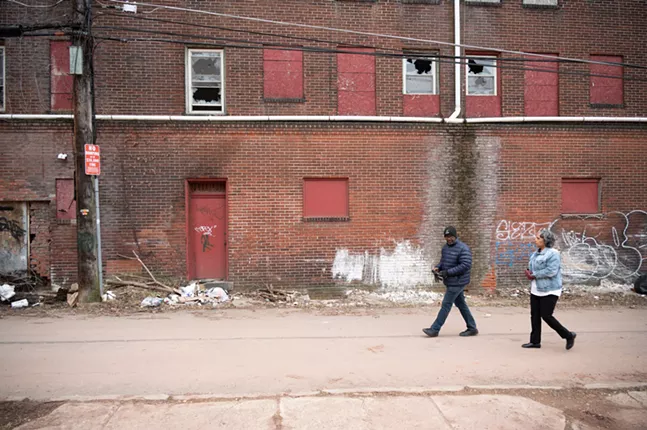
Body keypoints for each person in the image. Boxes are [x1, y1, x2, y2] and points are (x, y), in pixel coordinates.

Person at [522, 228, 576, 350]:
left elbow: (551, 271)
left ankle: (568, 335)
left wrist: (534, 274)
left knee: (546, 315)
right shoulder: (535, 253)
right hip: (536, 288)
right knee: (534, 315)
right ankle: (535, 341)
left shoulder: (553, 254)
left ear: (545, 240)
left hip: (550, 289)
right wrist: (529, 272)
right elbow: (533, 267)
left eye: (538, 238)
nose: (535, 240)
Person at [423, 226, 478, 337]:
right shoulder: (445, 248)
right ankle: (472, 327)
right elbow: (443, 262)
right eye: (447, 237)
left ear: (455, 236)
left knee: (446, 304)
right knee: (461, 304)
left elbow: (465, 265)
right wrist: (438, 268)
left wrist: (447, 272)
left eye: (451, 236)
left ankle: (435, 329)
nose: (449, 239)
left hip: (458, 281)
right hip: (451, 281)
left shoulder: (463, 248)